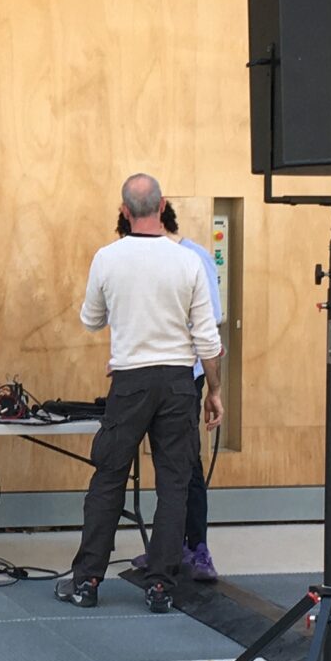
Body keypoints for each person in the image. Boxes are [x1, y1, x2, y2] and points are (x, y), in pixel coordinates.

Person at [56, 173, 220, 614]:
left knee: (108, 478)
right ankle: (161, 587)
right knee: (174, 484)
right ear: (163, 205)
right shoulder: (187, 262)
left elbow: (91, 320)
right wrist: (215, 391)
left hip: (129, 382)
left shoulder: (107, 258)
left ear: (125, 211)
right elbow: (207, 339)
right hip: (177, 382)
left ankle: (88, 580)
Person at [130, 203, 227, 583]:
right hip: (152, 372)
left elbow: (209, 324)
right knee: (167, 464)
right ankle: (168, 547)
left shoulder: (193, 257)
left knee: (186, 461)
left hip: (186, 373)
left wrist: (212, 387)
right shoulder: (146, 259)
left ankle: (197, 548)